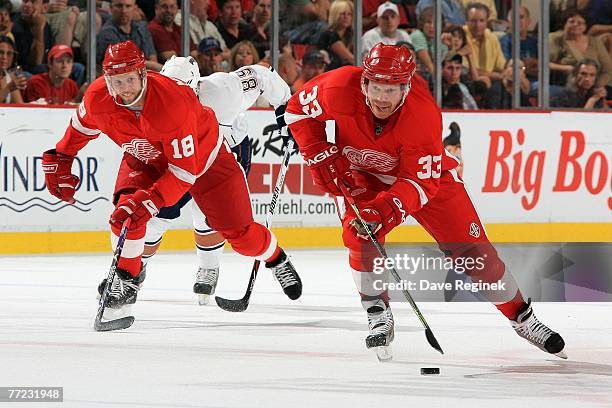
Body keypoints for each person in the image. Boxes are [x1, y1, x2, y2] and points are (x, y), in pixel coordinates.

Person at [284, 42, 566, 359]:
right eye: (375, 87)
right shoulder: (337, 86)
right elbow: (296, 110)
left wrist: (385, 210)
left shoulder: (422, 115)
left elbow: (417, 183)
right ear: (364, 80)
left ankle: (521, 316)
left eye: (391, 90)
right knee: (359, 235)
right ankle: (377, 311)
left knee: (476, 255)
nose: (380, 98)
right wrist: (316, 151)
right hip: (362, 172)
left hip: (427, 181)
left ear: (406, 87)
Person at [42, 41, 301, 323]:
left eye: (129, 79)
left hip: (207, 160)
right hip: (149, 157)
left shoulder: (197, 98)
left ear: (143, 75)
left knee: (241, 237)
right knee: (126, 215)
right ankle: (126, 279)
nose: (125, 89)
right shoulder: (99, 97)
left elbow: (184, 172)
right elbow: (81, 126)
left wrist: (286, 110)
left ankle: (275, 257)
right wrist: (61, 156)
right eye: (117, 81)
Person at [97, 55, 295, 305]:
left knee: (212, 216)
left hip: (224, 151)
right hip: (176, 157)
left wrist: (286, 110)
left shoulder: (224, 88)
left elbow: (263, 73)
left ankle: (210, 267)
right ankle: (132, 273)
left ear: (197, 86)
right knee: (155, 216)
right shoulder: (154, 100)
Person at [97, 0, 162, 71]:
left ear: (134, 8)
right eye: (119, 6)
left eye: (128, 6)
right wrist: (150, 65)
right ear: (111, 8)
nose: (124, 11)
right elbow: (124, 66)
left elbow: (152, 57)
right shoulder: (106, 33)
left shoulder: (142, 27)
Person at [317, 0, 354, 70]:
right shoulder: (330, 35)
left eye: (349, 14)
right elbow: (349, 58)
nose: (346, 17)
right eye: (342, 14)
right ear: (335, 14)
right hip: (330, 74)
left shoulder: (350, 35)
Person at [0, 35, 26, 103]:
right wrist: (8, 88)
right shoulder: (11, 84)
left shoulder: (9, 78)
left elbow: (20, 106)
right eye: (1, 52)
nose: (4, 57)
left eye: (9, 53)